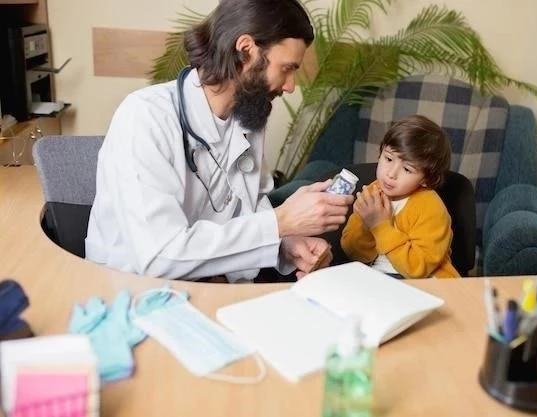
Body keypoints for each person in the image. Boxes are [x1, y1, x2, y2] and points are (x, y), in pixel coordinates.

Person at [85, 0, 353, 282]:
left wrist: (284, 245)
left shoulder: (250, 115)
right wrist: (279, 223)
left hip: (213, 284)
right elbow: (160, 255)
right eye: (286, 68)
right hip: (131, 289)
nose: (289, 85)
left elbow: (245, 208)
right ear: (246, 50)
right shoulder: (146, 117)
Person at [340, 115, 460, 279]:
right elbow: (354, 253)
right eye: (388, 158)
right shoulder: (373, 193)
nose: (391, 174)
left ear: (427, 179)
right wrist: (364, 224)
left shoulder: (432, 209)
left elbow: (417, 269)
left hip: (423, 283)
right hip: (378, 278)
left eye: (407, 169)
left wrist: (380, 226)